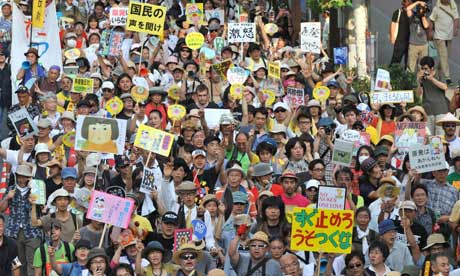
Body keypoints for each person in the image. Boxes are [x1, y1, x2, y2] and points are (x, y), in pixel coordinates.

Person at [0, 164, 41, 276]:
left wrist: (36, 196)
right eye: (20, 176)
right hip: (14, 231)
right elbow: (1, 209)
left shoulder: (36, 189)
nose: (22, 179)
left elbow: (43, 208)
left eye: (25, 176)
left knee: (33, 262)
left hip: (32, 231)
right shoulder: (10, 189)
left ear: (29, 177)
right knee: (17, 263)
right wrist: (7, 198)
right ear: (16, 176)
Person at [430, 0, 459, 85]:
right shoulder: (436, 8)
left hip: (449, 37)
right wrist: (430, 33)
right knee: (444, 55)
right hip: (439, 36)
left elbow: (456, 18)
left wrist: (456, 28)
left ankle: (437, 70)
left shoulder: (453, 7)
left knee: (446, 57)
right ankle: (448, 78)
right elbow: (431, 21)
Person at [390, 0, 412, 66]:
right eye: (406, 1)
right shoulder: (398, 12)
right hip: (400, 41)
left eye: (410, 1)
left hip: (410, 41)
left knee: (408, 62)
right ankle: (392, 74)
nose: (408, 2)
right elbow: (393, 25)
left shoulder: (413, 13)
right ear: (403, 2)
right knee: (395, 61)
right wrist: (392, 37)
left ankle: (406, 75)